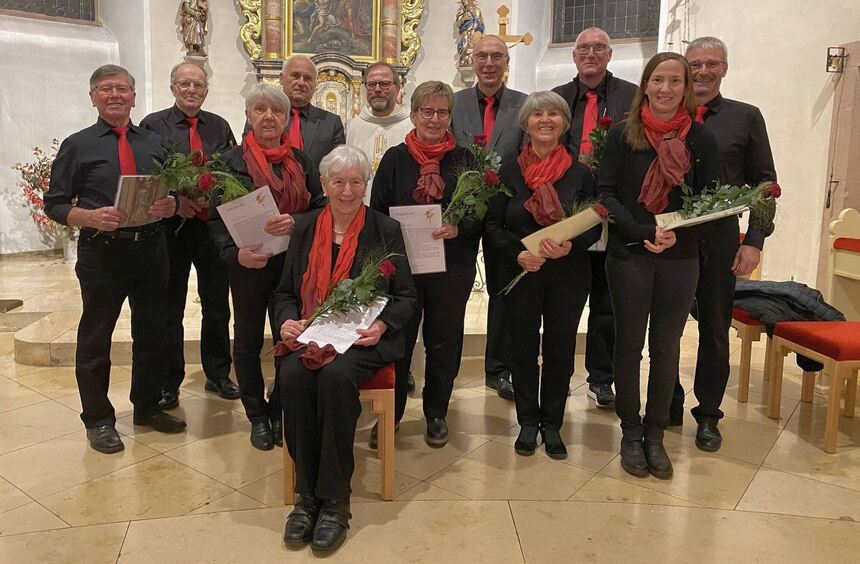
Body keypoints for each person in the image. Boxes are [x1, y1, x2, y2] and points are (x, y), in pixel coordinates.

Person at [275, 145, 417, 553]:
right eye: (339, 181)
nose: (348, 190)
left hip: (361, 340)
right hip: (311, 333)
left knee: (336, 378)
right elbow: (284, 292)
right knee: (294, 375)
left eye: (357, 181)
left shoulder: (384, 229)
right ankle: (307, 497)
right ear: (324, 184)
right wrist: (285, 319)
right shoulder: (304, 227)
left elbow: (406, 297)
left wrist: (381, 324)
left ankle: (335, 501)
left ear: (366, 184)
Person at [44, 64, 186, 454]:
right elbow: (54, 204)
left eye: (122, 89)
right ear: (93, 96)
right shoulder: (78, 145)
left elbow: (173, 196)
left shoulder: (155, 143)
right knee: (96, 337)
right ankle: (98, 419)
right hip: (101, 253)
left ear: (134, 96)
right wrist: (89, 217)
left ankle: (146, 406)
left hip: (151, 249)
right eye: (106, 89)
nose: (115, 95)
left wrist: (171, 204)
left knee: (153, 333)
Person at [598, 52, 722, 479]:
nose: (666, 89)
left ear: (685, 87)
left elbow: (712, 201)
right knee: (629, 345)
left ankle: (656, 434)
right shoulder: (621, 135)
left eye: (675, 81)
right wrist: (640, 231)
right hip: (630, 253)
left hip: (681, 256)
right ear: (645, 85)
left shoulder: (701, 140)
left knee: (667, 348)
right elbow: (606, 194)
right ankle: (631, 432)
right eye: (658, 80)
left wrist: (679, 232)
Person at [670, 37, 778, 452]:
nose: (701, 72)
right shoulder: (664, 116)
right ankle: (668, 402)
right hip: (671, 237)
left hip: (718, 238)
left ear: (724, 69)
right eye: (694, 64)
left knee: (714, 329)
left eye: (710, 64)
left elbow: (765, 184)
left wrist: (754, 242)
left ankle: (708, 415)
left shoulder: (745, 117)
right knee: (667, 329)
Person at [208, 83, 325, 450]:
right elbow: (213, 220)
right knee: (245, 343)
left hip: (292, 266)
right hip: (248, 267)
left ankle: (280, 409)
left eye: (276, 111)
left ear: (287, 118)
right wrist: (234, 254)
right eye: (260, 109)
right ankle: (257, 415)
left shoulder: (302, 162)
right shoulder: (230, 164)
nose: (268, 117)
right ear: (248, 117)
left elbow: (320, 208)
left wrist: (297, 223)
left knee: (289, 337)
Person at [486, 91, 600, 460]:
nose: (545, 120)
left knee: (559, 350)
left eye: (554, 114)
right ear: (526, 124)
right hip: (523, 273)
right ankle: (527, 422)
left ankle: (552, 424)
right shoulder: (507, 171)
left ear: (565, 123)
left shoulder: (580, 174)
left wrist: (572, 245)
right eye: (538, 115)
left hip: (567, 275)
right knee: (521, 350)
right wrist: (517, 253)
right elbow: (492, 226)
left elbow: (594, 226)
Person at [371, 80, 480, 448]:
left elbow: (480, 212)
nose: (435, 119)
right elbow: (378, 214)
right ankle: (392, 414)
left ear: (451, 116)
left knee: (444, 342)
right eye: (427, 111)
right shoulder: (394, 159)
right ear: (414, 115)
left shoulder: (465, 160)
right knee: (397, 340)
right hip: (405, 269)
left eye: (443, 112)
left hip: (452, 268)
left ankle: (436, 413)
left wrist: (458, 226)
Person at [140, 62, 239, 410]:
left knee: (216, 304)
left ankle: (218, 373)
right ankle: (170, 381)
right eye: (184, 83)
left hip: (211, 226)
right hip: (171, 229)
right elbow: (147, 173)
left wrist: (207, 198)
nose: (191, 89)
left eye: (198, 84)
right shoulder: (153, 125)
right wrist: (174, 199)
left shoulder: (220, 126)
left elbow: (230, 172)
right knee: (171, 307)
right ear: (173, 88)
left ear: (206, 90)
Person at [552, 27, 638, 410]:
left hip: (616, 208)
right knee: (567, 297)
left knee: (607, 300)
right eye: (583, 47)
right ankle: (556, 372)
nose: (590, 53)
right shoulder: (557, 97)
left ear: (609, 54)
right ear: (574, 56)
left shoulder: (631, 97)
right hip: (569, 209)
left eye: (598, 48)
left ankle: (601, 378)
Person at [452, 34, 527, 401]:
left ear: (506, 62)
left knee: (503, 291)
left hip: (505, 213)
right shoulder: (452, 104)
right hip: (461, 213)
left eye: (497, 56)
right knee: (453, 292)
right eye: (482, 56)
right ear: (472, 61)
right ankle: (445, 366)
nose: (489, 63)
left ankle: (498, 369)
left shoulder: (525, 105)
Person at [345, 62, 411, 200]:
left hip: (401, 207)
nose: (377, 89)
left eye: (384, 84)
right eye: (371, 84)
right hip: (361, 207)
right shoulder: (353, 127)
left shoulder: (411, 125)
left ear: (398, 88)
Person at [280, 55, 346, 167]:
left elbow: (338, 170)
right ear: (281, 78)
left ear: (315, 85)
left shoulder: (331, 123)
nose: (301, 83)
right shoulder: (261, 117)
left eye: (308, 78)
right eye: (295, 76)